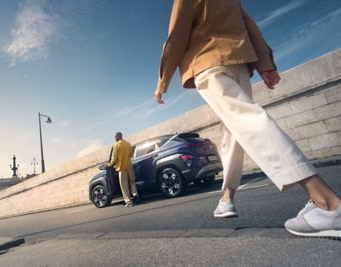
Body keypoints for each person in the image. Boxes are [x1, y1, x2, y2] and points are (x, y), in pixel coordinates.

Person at [154, 0, 341, 238]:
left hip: (206, 61)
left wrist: (162, 81)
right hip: (237, 61)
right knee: (235, 127)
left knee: (247, 120)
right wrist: (266, 64)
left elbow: (177, 33)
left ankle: (326, 203)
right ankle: (227, 198)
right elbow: (249, 25)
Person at [108, 132, 139, 207]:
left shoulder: (115, 145)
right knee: (132, 182)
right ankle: (135, 195)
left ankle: (128, 201)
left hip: (121, 168)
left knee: (124, 185)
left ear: (118, 136)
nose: (114, 138)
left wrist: (109, 165)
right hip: (129, 166)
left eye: (115, 137)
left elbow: (115, 158)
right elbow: (131, 155)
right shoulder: (128, 144)